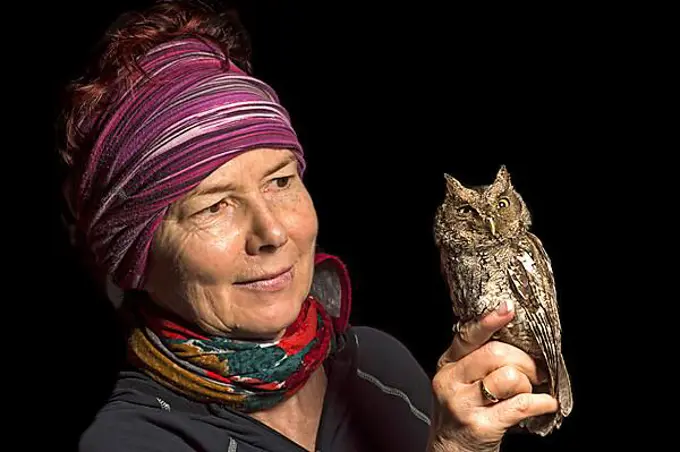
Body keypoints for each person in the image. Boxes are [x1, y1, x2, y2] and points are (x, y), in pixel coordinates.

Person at [58, 1, 559, 450]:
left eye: (279, 182)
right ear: (136, 261)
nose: (273, 234)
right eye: (214, 206)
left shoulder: (380, 367)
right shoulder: (134, 440)